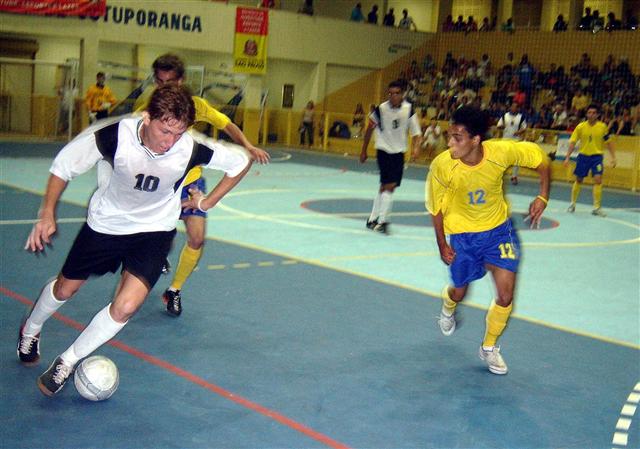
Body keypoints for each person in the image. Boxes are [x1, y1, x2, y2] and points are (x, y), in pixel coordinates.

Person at [17, 83, 252, 396]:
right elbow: (63, 167)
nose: (171, 142)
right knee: (65, 288)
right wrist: (47, 213)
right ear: (147, 118)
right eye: (165, 131)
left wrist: (206, 203)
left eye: (179, 133)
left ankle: (67, 361)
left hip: (154, 231)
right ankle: (31, 329)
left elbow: (240, 162)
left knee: (126, 306)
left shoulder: (189, 147)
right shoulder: (115, 136)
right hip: (106, 225)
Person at [135, 54, 269, 317]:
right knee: (157, 237)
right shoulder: (146, 105)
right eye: (160, 81)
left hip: (191, 182)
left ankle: (174, 290)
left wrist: (248, 146)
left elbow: (227, 124)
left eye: (170, 81)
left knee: (196, 238)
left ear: (181, 81)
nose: (164, 87)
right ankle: (158, 249)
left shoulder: (197, 106)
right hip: (159, 182)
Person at [426, 106, 550, 375]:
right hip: (463, 236)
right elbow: (436, 208)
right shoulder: (442, 165)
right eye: (449, 136)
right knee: (460, 292)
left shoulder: (501, 152)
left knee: (505, 295)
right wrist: (442, 244)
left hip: (498, 232)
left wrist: (543, 196)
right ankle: (448, 306)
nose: (450, 143)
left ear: (475, 140)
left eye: (457, 137)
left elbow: (541, 160)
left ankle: (489, 347)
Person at [360, 80, 422, 235]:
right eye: (390, 93)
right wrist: (363, 150)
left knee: (385, 186)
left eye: (396, 93)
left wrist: (416, 148)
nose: (393, 96)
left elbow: (417, 133)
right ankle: (382, 222)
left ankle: (372, 219)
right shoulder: (381, 109)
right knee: (390, 185)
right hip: (383, 151)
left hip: (398, 153)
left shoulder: (408, 109)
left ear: (402, 94)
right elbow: (369, 129)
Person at [564, 104, 617, 216]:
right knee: (579, 179)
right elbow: (572, 142)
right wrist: (567, 157)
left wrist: (613, 157)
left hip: (596, 157)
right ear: (586, 114)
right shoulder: (580, 127)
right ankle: (572, 204)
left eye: (593, 113)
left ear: (597, 115)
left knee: (598, 179)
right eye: (589, 112)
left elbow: (609, 142)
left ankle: (597, 208)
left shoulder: (602, 127)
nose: (591, 115)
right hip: (583, 156)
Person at [497, 102, 527, 184]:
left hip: (516, 141)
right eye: (512, 106)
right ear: (510, 107)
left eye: (515, 107)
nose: (513, 108)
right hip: (505, 140)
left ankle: (514, 176)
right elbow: (498, 126)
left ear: (518, 108)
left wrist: (519, 132)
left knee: (516, 159)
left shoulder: (521, 117)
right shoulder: (504, 116)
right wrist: (501, 127)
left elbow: (524, 128)